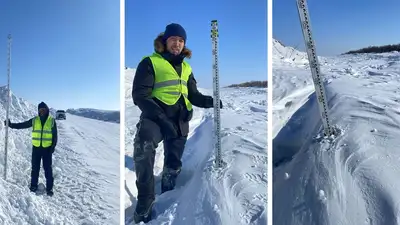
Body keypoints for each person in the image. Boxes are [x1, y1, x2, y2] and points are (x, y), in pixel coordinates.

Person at [131, 23, 223, 223]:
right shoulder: (150, 62)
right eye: (174, 39)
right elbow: (140, 95)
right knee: (143, 147)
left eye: (181, 41)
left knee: (173, 162)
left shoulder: (187, 67)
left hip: (180, 119)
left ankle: (168, 189)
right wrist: (161, 119)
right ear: (165, 40)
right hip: (154, 116)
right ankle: (145, 200)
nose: (177, 43)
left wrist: (210, 102)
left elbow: (194, 95)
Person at [4, 101, 58, 196]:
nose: (41, 111)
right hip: (36, 149)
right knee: (35, 168)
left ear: (47, 110)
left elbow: (55, 136)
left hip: (47, 150)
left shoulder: (52, 121)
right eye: (40, 110)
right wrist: (11, 125)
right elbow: (23, 125)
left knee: (48, 169)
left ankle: (49, 189)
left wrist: (52, 148)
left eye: (43, 109)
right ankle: (33, 185)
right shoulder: (35, 120)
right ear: (38, 111)